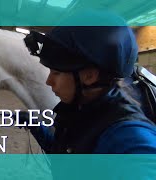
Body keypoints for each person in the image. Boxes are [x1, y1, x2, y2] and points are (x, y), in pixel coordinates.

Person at [22, 11, 156, 154]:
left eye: (56, 73)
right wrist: (34, 125)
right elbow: (64, 154)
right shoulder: (80, 106)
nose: (49, 81)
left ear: (90, 76)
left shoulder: (129, 139)